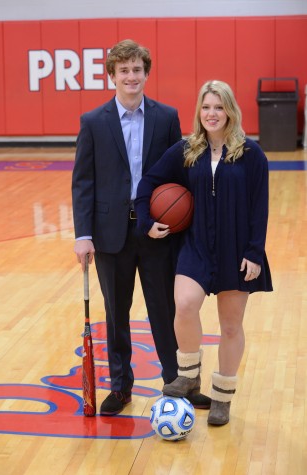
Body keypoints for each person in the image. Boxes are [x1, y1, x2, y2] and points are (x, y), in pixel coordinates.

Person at [72, 39, 211, 416]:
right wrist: (83, 235)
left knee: (165, 310)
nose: (131, 76)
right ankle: (121, 387)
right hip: (109, 234)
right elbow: (83, 181)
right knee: (117, 314)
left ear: (146, 73)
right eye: (124, 71)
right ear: (112, 76)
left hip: (157, 231)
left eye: (137, 69)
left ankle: (177, 380)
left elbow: (178, 175)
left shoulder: (166, 117)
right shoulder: (93, 122)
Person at [135, 80, 273, 426]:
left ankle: (223, 396)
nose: (212, 114)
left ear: (230, 110)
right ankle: (189, 373)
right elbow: (148, 182)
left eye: (218, 107)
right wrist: (147, 222)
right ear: (199, 111)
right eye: (206, 107)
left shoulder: (251, 154)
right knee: (184, 304)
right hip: (195, 246)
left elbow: (260, 207)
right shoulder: (187, 150)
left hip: (237, 249)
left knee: (230, 326)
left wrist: (254, 252)